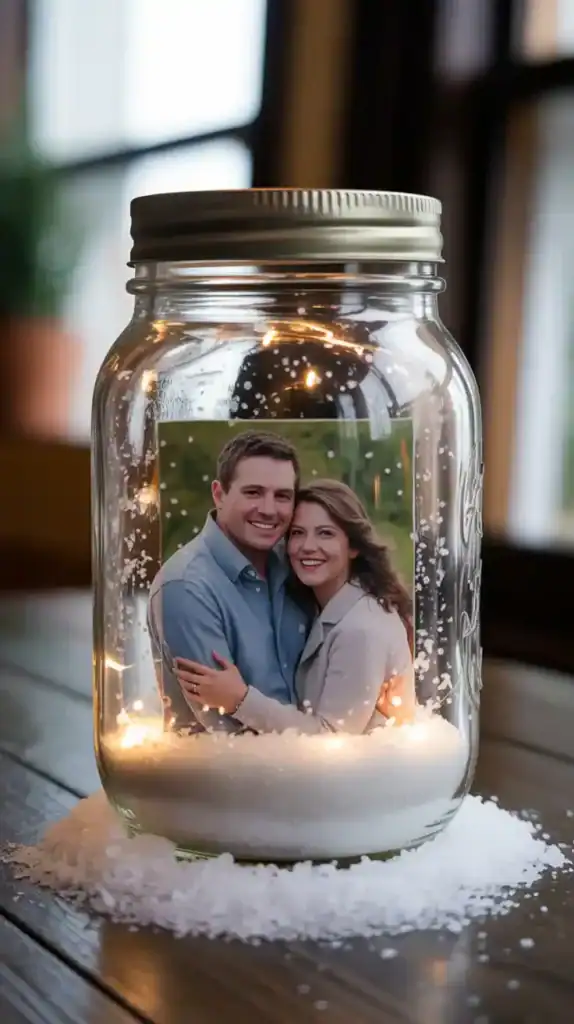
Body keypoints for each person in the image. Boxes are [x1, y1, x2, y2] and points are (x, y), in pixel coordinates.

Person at [175, 479, 415, 734]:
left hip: (365, 773)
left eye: (325, 533)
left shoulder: (361, 628)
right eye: (298, 533)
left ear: (353, 546)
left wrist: (240, 700)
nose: (308, 547)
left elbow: (332, 739)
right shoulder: (322, 608)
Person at [147, 430, 311, 731]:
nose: (269, 509)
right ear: (219, 494)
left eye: (283, 496)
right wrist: (326, 741)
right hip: (225, 774)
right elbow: (226, 729)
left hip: (316, 764)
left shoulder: (298, 567)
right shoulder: (186, 587)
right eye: (253, 492)